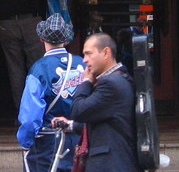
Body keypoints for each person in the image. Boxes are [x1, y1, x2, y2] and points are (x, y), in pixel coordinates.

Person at [51, 32, 142, 172]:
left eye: (88, 54)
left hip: (111, 165)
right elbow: (104, 124)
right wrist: (70, 125)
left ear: (106, 52)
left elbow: (78, 111)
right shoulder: (120, 79)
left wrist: (86, 81)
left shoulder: (110, 83)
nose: (84, 60)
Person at [17, 14, 86, 172]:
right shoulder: (83, 63)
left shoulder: (39, 69)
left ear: (41, 39)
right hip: (80, 138)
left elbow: (30, 118)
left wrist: (25, 142)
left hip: (48, 144)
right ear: (66, 39)